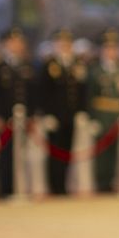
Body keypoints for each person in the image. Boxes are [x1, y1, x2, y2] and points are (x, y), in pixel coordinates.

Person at [0, 28, 34, 199]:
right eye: (13, 42)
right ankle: (5, 188)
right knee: (5, 155)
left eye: (19, 42)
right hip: (4, 118)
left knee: (21, 154)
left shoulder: (26, 66)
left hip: (21, 117)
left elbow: (31, 93)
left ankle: (20, 187)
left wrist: (31, 115)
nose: (17, 45)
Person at [36, 29, 85, 196]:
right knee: (54, 152)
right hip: (55, 116)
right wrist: (46, 114)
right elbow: (43, 92)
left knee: (67, 151)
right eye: (61, 43)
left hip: (70, 115)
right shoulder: (50, 65)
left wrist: (81, 111)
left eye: (67, 43)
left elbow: (80, 91)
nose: (64, 46)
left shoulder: (76, 64)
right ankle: (54, 186)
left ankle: (64, 185)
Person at [87, 29, 119, 194]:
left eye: (114, 48)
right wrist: (92, 118)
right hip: (101, 115)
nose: (112, 52)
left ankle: (111, 180)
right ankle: (101, 182)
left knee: (114, 151)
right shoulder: (95, 71)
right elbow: (90, 96)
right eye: (108, 48)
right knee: (101, 152)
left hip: (116, 116)